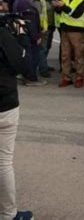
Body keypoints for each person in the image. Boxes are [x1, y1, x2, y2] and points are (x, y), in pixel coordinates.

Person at [0, 17, 34, 220]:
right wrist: (20, 36)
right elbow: (24, 66)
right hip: (4, 104)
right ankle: (8, 214)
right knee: (3, 161)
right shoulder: (2, 35)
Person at [54, 0, 84, 88]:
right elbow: (60, 11)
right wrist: (57, 7)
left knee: (78, 55)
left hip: (76, 31)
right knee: (65, 55)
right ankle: (66, 77)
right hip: (65, 29)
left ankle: (79, 77)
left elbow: (76, 14)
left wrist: (63, 7)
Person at [12, 0, 45, 87]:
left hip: (20, 32)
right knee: (32, 56)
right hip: (27, 34)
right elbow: (30, 22)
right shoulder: (27, 4)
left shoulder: (18, 1)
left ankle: (25, 75)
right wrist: (36, 37)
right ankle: (31, 78)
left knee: (25, 55)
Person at [32, 0, 55, 78]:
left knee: (47, 48)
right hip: (43, 29)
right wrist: (39, 29)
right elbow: (37, 16)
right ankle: (43, 69)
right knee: (42, 49)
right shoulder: (38, 1)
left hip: (50, 27)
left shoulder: (50, 0)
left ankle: (43, 65)